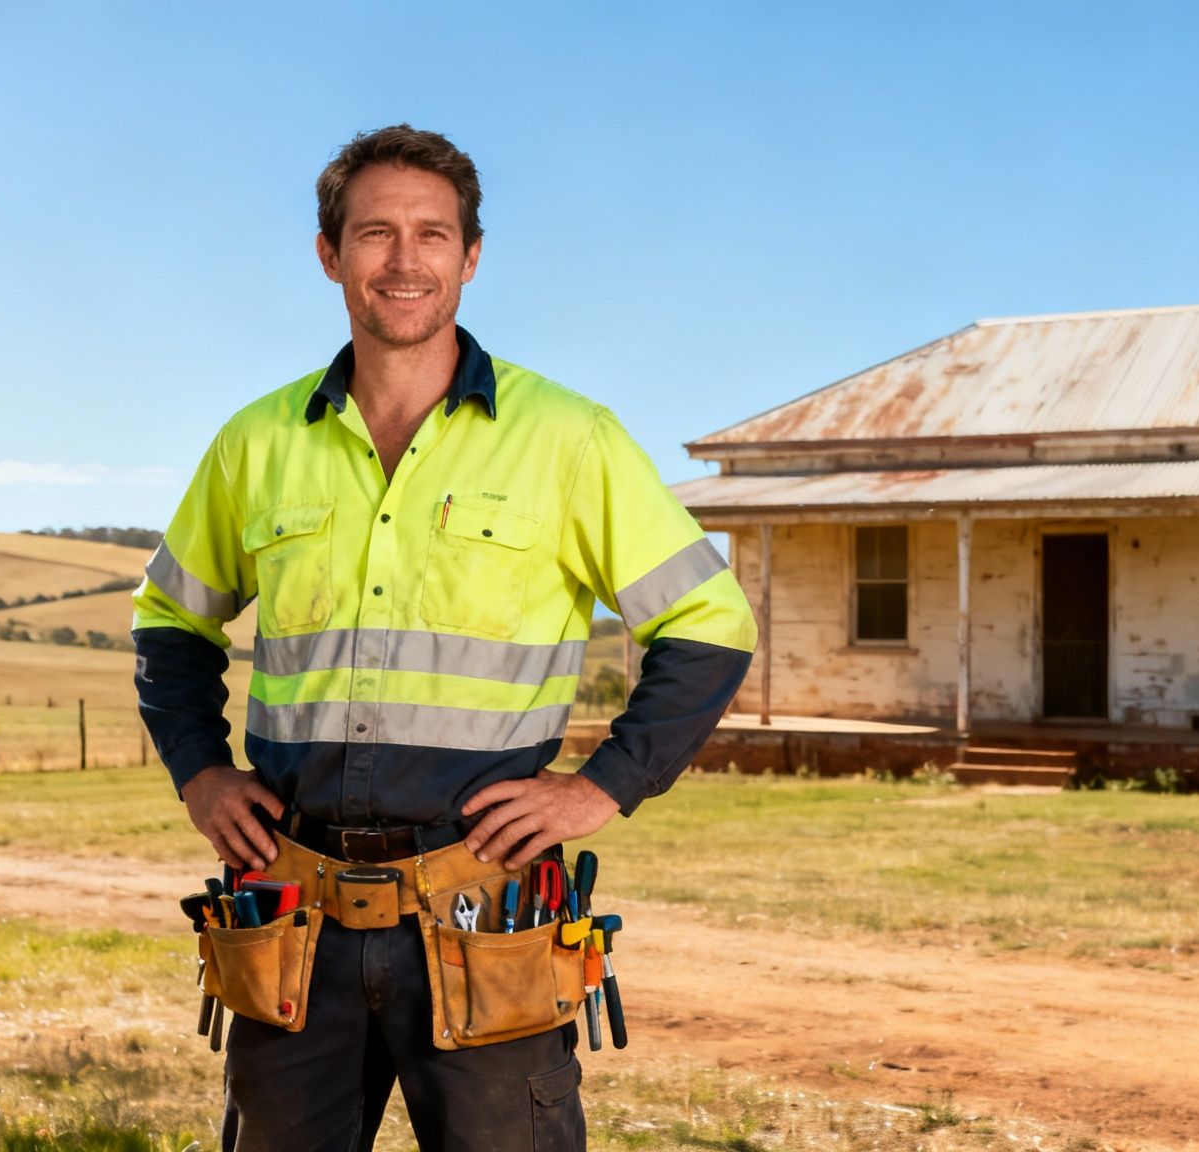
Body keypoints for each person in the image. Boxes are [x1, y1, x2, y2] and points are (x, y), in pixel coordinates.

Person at [131, 125, 758, 1152]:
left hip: (485, 916)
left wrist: (601, 786)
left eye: (433, 234)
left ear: (470, 258)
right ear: (329, 254)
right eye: (374, 233)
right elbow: (169, 619)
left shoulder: (567, 438)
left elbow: (707, 620)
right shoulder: (256, 443)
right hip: (291, 915)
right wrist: (200, 771)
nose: (404, 259)